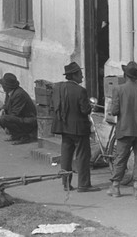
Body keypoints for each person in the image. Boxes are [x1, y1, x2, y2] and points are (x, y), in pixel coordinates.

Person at [51, 62, 101, 193]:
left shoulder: (58, 87)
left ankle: (66, 183)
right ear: (74, 75)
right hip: (78, 128)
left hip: (63, 127)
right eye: (80, 74)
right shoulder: (80, 91)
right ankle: (83, 184)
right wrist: (91, 107)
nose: (82, 76)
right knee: (83, 156)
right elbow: (85, 110)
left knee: (66, 155)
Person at [107, 61, 137, 199]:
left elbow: (114, 111)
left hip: (125, 128)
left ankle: (116, 187)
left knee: (121, 158)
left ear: (125, 75)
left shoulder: (118, 89)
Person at [0, 73, 38, 145]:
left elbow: (15, 113)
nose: (2, 86)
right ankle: (16, 135)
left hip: (27, 121)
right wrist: (2, 110)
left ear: (7, 86)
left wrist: (5, 123)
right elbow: (6, 105)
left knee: (4, 118)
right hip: (19, 118)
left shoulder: (19, 94)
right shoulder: (9, 92)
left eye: (3, 85)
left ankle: (25, 136)